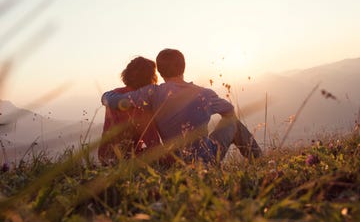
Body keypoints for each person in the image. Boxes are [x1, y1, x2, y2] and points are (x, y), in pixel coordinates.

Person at [101, 49, 262, 164]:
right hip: (207, 160)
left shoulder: (152, 93)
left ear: (161, 72)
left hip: (175, 162)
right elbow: (229, 111)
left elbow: (114, 100)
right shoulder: (204, 94)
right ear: (183, 67)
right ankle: (259, 161)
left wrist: (107, 97)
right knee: (233, 123)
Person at [98, 56, 162, 165]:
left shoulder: (115, 93)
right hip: (130, 160)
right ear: (151, 77)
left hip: (105, 156)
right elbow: (151, 140)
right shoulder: (143, 101)